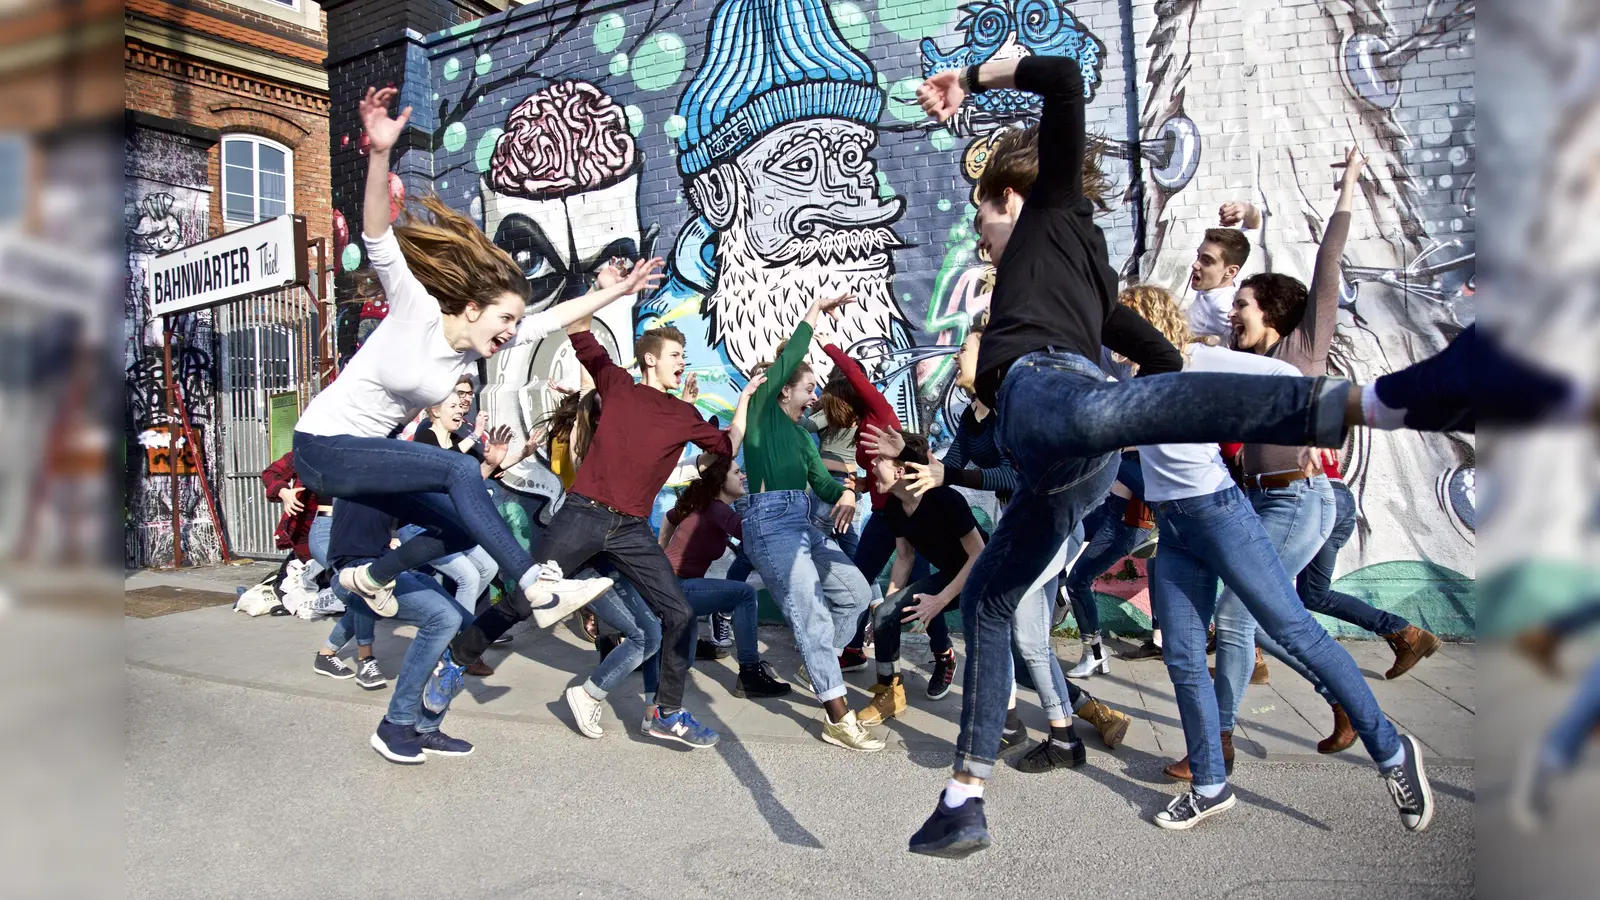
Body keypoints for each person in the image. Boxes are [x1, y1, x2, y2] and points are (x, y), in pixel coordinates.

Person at [904, 57, 1435, 858]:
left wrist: (971, 82)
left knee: (1269, 612)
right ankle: (963, 797)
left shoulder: (1050, 215)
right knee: (991, 602)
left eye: (982, 217)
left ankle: (1363, 403)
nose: (979, 237)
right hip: (1065, 466)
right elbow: (1165, 359)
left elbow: (1061, 80)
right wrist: (1142, 397)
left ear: (1011, 199)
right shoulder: (1089, 281)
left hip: (1053, 402)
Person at [291, 85, 630, 624]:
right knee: (458, 471)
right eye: (504, 319)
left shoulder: (473, 349)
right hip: (322, 448)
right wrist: (380, 154)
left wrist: (616, 290)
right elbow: (378, 235)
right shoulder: (415, 309)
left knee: (455, 524)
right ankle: (535, 586)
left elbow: (551, 318)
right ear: (471, 308)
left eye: (515, 323)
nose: (512, 332)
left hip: (365, 461)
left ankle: (368, 577)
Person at [1121, 283, 1431, 831]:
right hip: (1174, 531)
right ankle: (1211, 786)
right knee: (1185, 659)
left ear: (1144, 322)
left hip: (1218, 513)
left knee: (1292, 628)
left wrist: (1313, 429)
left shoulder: (1200, 359)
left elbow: (1290, 378)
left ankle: (1392, 750)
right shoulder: (1129, 379)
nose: (1113, 341)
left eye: (1121, 326)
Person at [1215, 147, 1442, 754]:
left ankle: (1217, 741)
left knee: (1241, 614)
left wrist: (1347, 187)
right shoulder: (1248, 366)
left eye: (1243, 305)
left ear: (1272, 314)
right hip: (1264, 503)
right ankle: (1336, 698)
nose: (1233, 312)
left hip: (1300, 499)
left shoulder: (1302, 352)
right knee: (1273, 615)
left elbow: (1326, 264)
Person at [450, 315, 765, 750]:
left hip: (631, 529)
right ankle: (454, 661)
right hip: (584, 515)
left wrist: (746, 394)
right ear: (650, 360)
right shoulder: (619, 386)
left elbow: (729, 443)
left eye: (683, 356)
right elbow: (580, 334)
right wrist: (602, 290)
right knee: (525, 595)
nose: (682, 361)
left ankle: (667, 712)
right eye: (675, 355)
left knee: (679, 612)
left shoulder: (683, 414)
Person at [739, 294, 881, 752]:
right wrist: (816, 311)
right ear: (783, 390)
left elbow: (821, 481)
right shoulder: (763, 415)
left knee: (857, 594)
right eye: (808, 388)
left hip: (804, 523)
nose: (815, 394)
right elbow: (792, 356)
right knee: (812, 614)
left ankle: (813, 664)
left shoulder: (802, 436)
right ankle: (838, 717)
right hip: (770, 523)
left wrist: (846, 492)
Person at [324, 498, 476, 763]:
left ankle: (425, 728)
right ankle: (396, 724)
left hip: (391, 567)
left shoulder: (400, 477)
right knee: (443, 618)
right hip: (355, 572)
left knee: (469, 629)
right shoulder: (369, 467)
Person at [644, 452, 792, 708]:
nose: (743, 475)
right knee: (744, 594)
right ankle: (750, 674)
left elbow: (669, 518)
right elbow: (755, 537)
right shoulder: (717, 509)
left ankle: (624, 644)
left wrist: (661, 552)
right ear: (720, 481)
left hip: (672, 587)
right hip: (677, 588)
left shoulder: (705, 504)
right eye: (737, 473)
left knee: (683, 661)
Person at [404, 388, 506, 616]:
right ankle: (459, 635)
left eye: (461, 407)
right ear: (435, 411)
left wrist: (498, 460)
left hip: (450, 524)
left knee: (488, 568)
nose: (460, 411)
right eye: (453, 406)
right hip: (421, 526)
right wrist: (476, 434)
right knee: (468, 577)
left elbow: (476, 475)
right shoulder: (425, 436)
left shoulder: (457, 440)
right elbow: (444, 464)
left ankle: (452, 618)